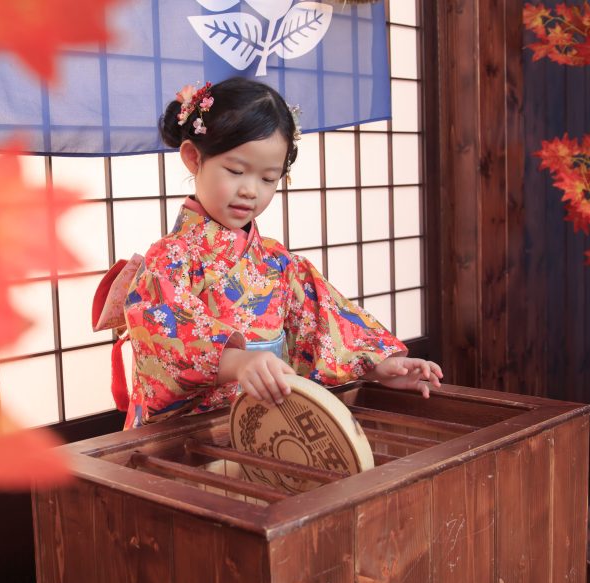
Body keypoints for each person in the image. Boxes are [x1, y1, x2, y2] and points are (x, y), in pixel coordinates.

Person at [122, 77, 442, 429]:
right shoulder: (169, 260)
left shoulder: (278, 262)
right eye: (236, 171)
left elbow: (320, 327)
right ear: (193, 158)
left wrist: (379, 366)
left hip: (264, 427)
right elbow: (162, 341)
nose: (250, 190)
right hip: (186, 435)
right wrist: (237, 363)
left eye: (268, 178)